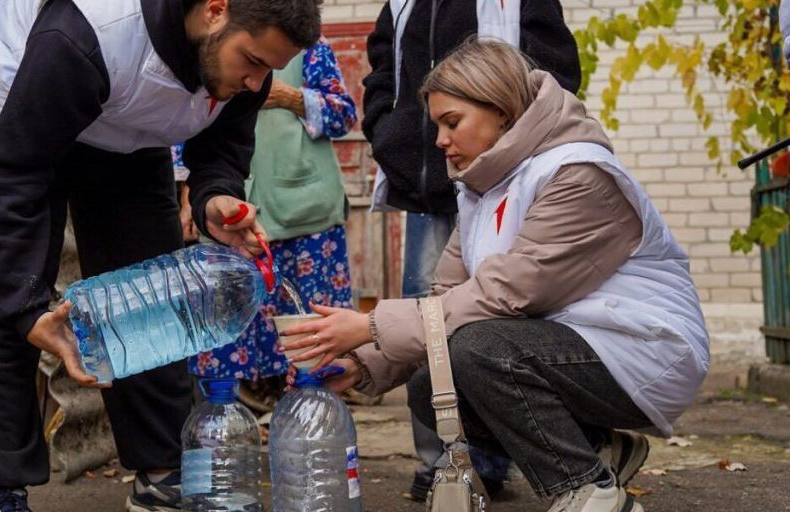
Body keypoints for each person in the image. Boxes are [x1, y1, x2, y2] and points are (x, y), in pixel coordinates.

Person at [281, 39, 709, 512]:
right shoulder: (483, 188)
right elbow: (448, 296)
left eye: (452, 122)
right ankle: (601, 448)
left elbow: (506, 292)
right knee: (431, 385)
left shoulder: (578, 173)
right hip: (574, 344)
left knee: (476, 352)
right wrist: (363, 364)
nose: (440, 140)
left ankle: (589, 490)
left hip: (644, 347)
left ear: (502, 112)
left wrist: (369, 325)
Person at [0, 1, 322, 510]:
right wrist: (25, 305)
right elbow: (13, 179)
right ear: (215, 10)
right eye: (254, 60)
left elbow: (221, 151)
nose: (257, 81)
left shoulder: (245, 68)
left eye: (269, 69)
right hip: (27, 93)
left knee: (153, 296)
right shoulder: (87, 34)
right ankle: (0, 483)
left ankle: (160, 470)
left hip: (128, 124)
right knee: (12, 275)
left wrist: (215, 196)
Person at [362, 0, 582, 499]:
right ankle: (443, 462)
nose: (441, 134)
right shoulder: (401, 4)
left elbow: (557, 69)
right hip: (424, 187)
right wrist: (389, 134)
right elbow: (382, 70)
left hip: (501, 176)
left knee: (489, 318)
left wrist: (516, 150)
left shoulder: (575, 177)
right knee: (429, 313)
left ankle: (488, 460)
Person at [187, 36, 357, 385]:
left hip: (304, 213)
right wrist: (186, 190)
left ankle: (309, 418)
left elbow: (343, 114)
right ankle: (231, 421)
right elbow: (182, 121)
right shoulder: (213, 40)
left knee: (311, 339)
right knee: (223, 340)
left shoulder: (305, 43)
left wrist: (289, 97)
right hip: (230, 211)